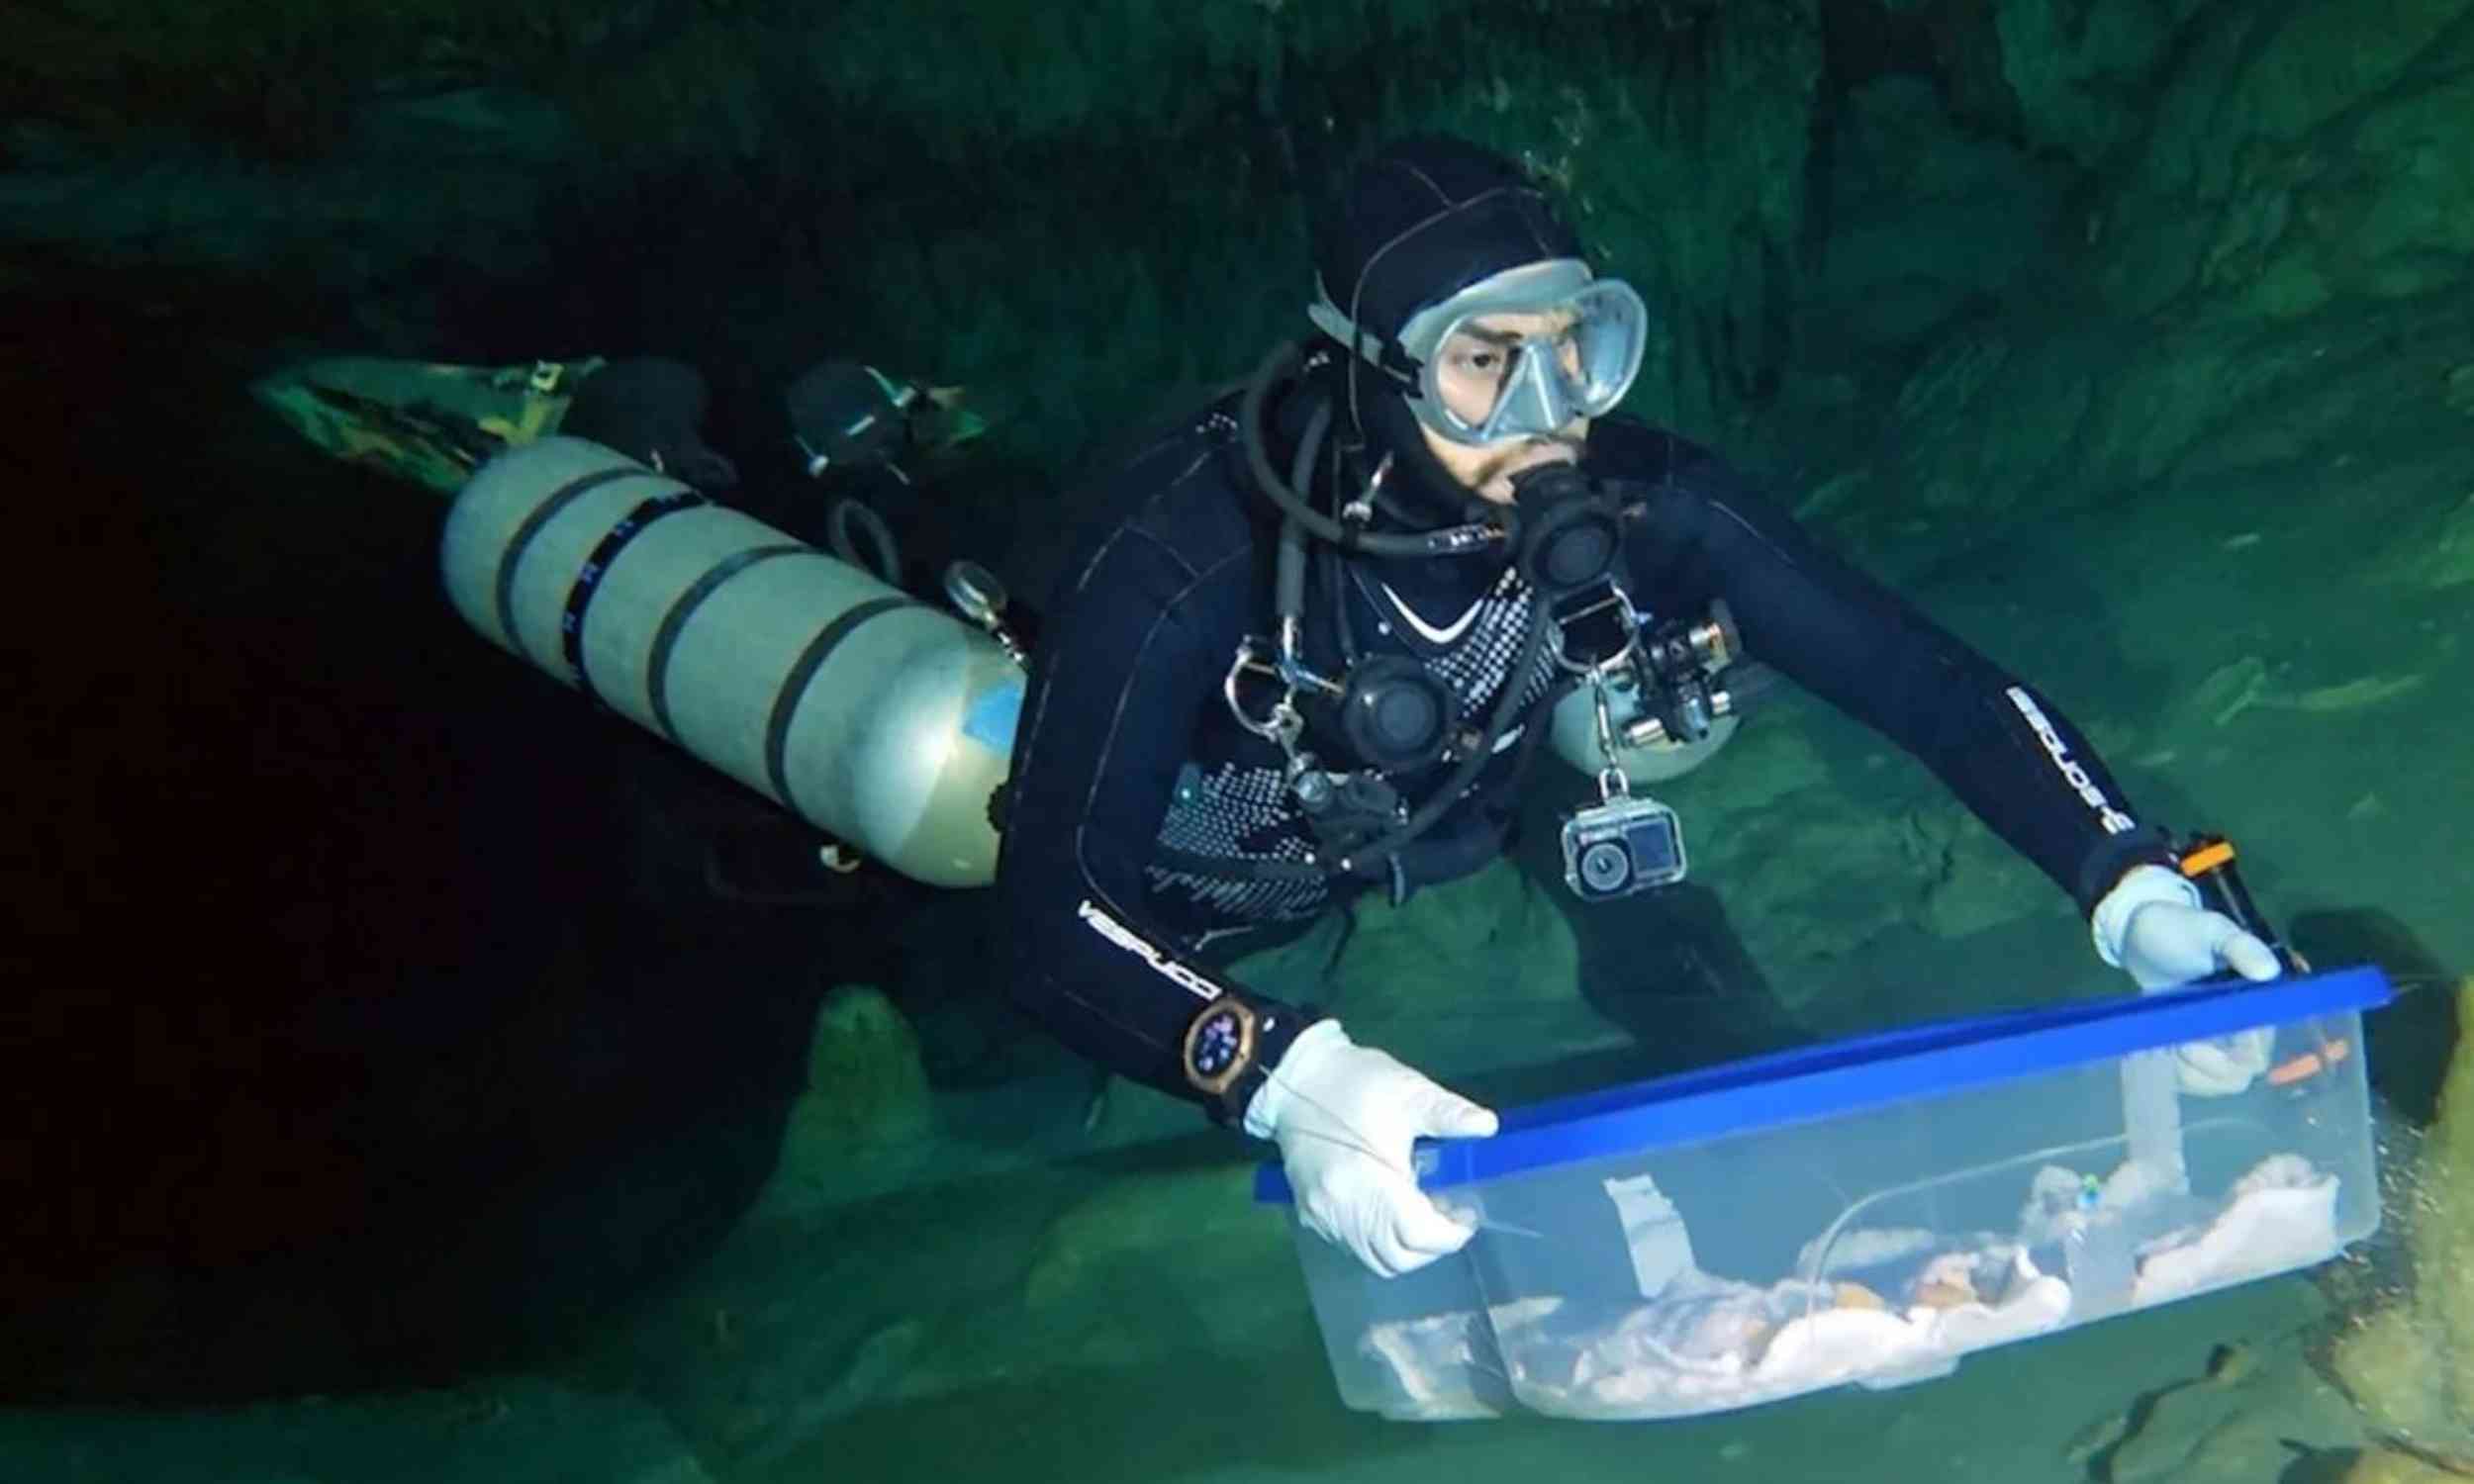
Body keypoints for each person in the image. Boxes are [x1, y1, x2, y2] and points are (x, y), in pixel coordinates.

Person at [992, 135, 2286, 1280]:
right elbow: (1049, 911)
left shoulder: (1638, 497)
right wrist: (1284, 1076)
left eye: (1574, 355)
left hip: (1456, 803)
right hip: (1176, 884)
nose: (1550, 420)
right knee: (980, 1011)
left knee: (1655, 905)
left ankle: (1794, 1199)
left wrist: (2128, 877)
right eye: (1485, 367)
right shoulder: (1181, 556)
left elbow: (1927, 681)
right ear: (1380, 377)